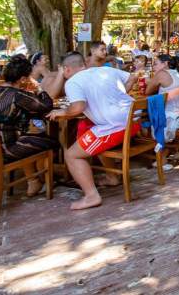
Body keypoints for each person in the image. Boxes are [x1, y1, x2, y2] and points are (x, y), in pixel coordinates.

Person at [47, 52, 138, 210]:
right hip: (134, 120)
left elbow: (78, 107)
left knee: (72, 155)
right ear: (83, 64)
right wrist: (117, 97)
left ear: (66, 69)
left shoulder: (73, 83)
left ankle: (91, 196)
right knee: (88, 130)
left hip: (116, 127)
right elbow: (132, 77)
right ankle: (112, 176)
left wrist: (63, 112)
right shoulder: (105, 70)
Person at [0, 56, 57, 197]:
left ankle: (33, 180)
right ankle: (39, 179)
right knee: (50, 141)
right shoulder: (17, 95)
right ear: (22, 79)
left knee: (23, 135)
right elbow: (46, 105)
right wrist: (39, 88)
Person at [144, 53, 179, 142]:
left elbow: (147, 91)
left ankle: (150, 146)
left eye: (156, 64)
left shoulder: (162, 73)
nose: (153, 67)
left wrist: (149, 81)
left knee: (140, 117)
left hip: (169, 122)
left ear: (165, 64)